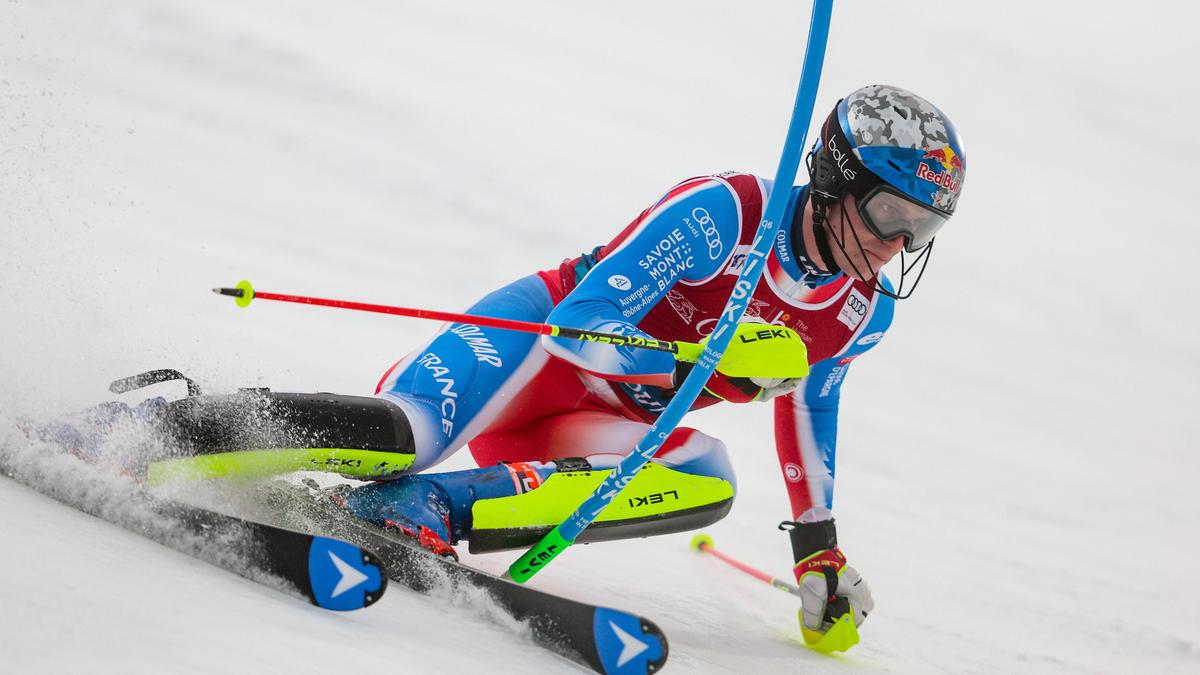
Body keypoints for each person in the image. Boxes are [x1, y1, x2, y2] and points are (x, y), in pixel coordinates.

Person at [41, 84, 966, 645]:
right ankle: (137, 431)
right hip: (530, 349)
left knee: (706, 473)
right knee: (402, 433)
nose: (895, 247)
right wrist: (708, 350)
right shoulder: (726, 211)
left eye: (920, 232)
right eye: (891, 216)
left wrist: (819, 549)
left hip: (599, 416)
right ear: (840, 177)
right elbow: (581, 322)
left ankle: (420, 513)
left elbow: (811, 406)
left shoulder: (855, 311)